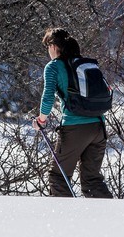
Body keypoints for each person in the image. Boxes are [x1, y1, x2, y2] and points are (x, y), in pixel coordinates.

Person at [32, 27, 112, 198]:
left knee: (58, 177)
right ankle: (109, 213)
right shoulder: (84, 64)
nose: (48, 51)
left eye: (48, 46)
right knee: (92, 180)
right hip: (99, 126)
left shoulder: (54, 66)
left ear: (54, 46)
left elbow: (48, 96)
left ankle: (64, 215)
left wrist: (41, 120)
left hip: (75, 127)